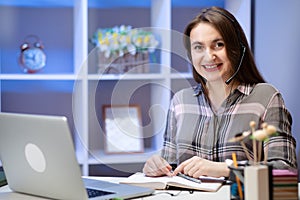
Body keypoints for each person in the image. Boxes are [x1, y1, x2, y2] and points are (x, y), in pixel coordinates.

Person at [142, 6, 297, 179]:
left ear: (237, 48)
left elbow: (285, 171)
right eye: (198, 48)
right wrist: (157, 167)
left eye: (218, 45)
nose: (209, 56)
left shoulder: (266, 98)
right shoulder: (181, 101)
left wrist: (225, 169)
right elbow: (171, 169)